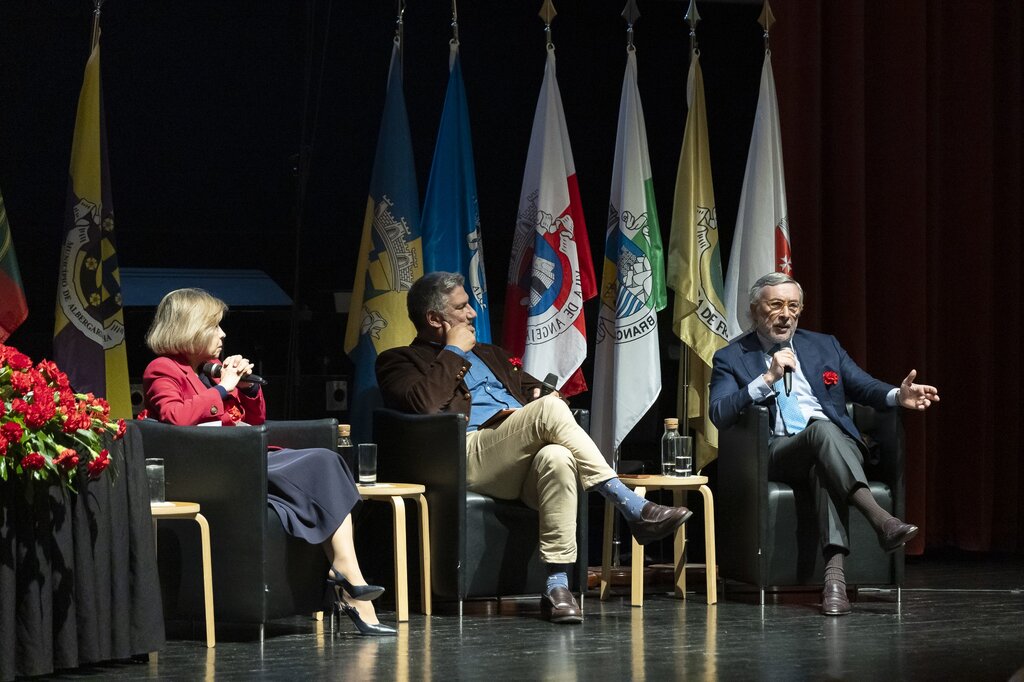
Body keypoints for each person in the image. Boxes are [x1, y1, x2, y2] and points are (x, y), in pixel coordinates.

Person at [376, 272, 692, 624]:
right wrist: (452, 352)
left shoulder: (491, 354)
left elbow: (537, 390)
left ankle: (556, 587)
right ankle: (630, 504)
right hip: (463, 456)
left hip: (513, 460)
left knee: (557, 457)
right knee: (550, 412)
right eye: (461, 307)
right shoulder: (398, 360)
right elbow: (424, 404)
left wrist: (542, 396)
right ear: (435, 318)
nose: (472, 314)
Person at [142, 288, 395, 636]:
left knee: (327, 461)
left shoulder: (207, 372)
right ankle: (348, 582)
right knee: (322, 462)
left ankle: (349, 577)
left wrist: (244, 389)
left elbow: (256, 423)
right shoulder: (163, 369)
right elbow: (176, 417)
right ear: (191, 327)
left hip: (239, 457)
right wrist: (222, 389)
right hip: (209, 469)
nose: (223, 335)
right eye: (215, 326)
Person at [709, 272, 940, 616]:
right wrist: (766, 378)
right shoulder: (732, 357)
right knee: (822, 431)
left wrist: (897, 394)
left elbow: (863, 386)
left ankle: (834, 583)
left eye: (793, 306)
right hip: (776, 452)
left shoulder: (823, 345)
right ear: (755, 310)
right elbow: (719, 412)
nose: (785, 314)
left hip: (832, 450)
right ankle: (881, 520)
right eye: (775, 305)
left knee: (823, 458)